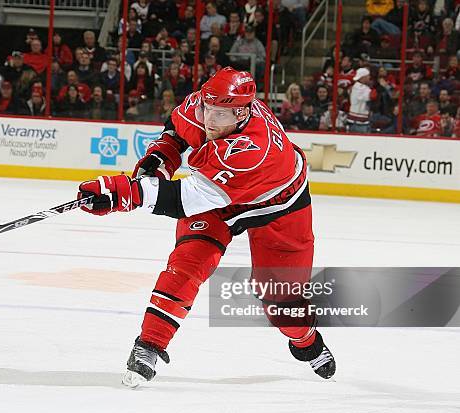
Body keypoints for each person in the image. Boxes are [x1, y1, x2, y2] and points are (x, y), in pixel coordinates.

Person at [75, 67, 336, 387]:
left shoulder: (253, 149)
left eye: (220, 114)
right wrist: (159, 162)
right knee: (187, 262)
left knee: (280, 301)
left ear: (242, 113)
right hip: (220, 196)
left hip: (280, 206)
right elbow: (176, 129)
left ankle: (307, 341)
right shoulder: (207, 105)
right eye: (206, 109)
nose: (210, 119)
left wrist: (126, 193)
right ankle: (149, 345)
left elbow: (189, 199)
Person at [347, 67, 376, 133]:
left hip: (361, 121)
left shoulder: (358, 86)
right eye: (368, 76)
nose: (369, 77)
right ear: (363, 77)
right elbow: (371, 96)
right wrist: (375, 88)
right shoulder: (359, 88)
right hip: (358, 122)